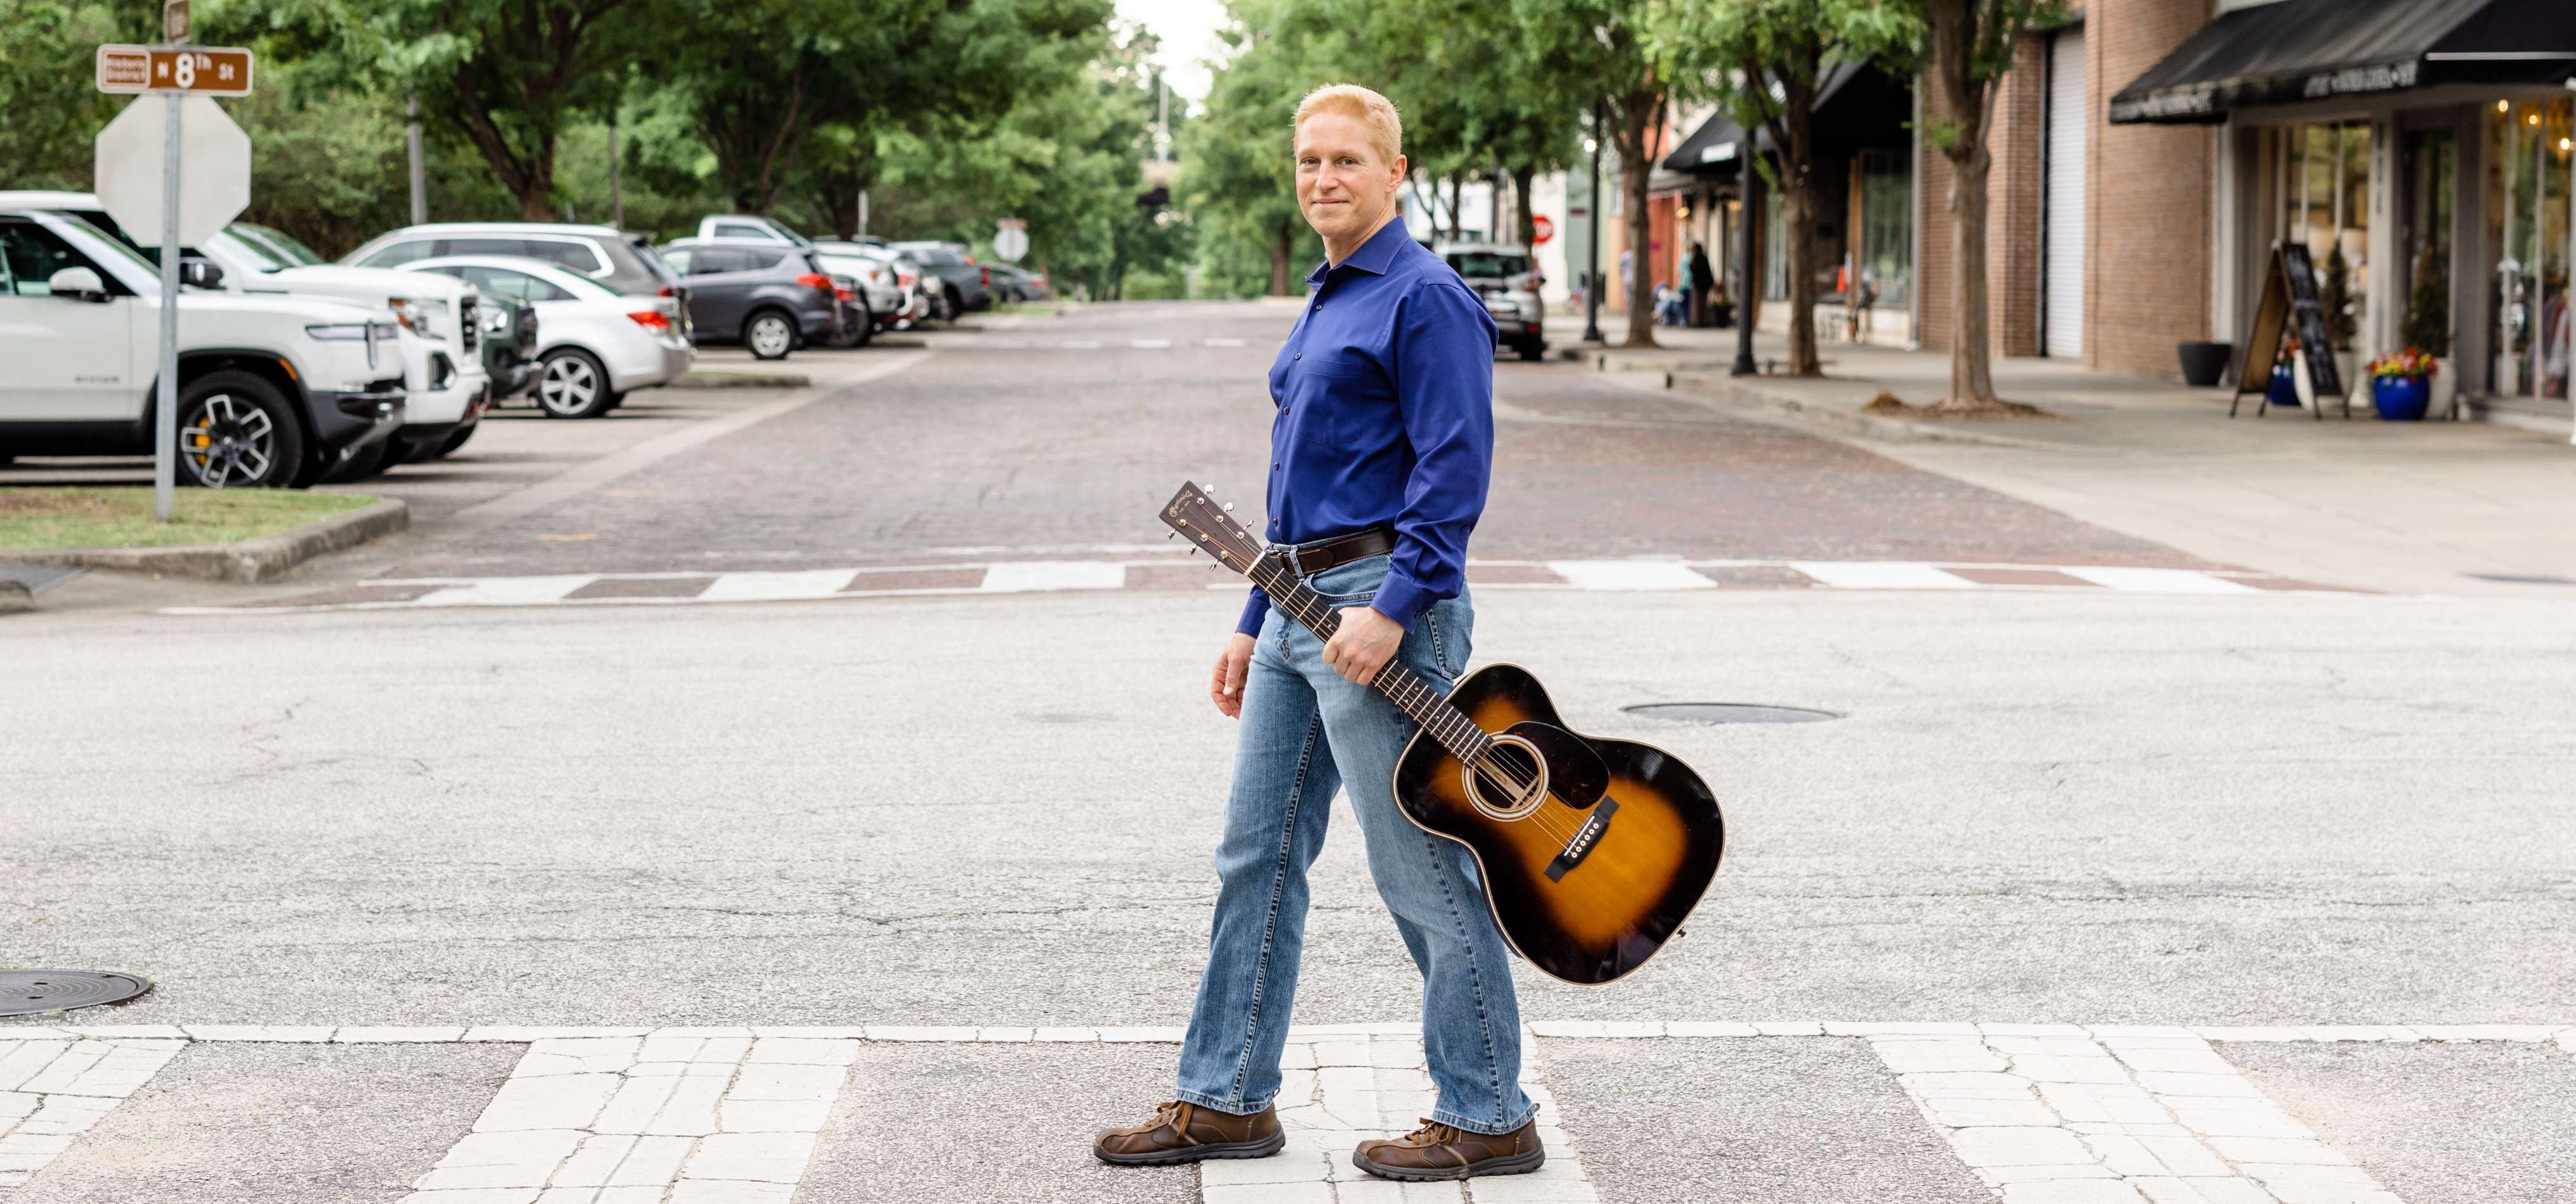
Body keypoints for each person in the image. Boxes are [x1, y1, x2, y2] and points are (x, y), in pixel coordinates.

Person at [1093, 82, 1542, 1182]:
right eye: (1307, 163)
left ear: (1394, 173)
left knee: (1421, 869)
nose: (1323, 180)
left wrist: (1392, 614)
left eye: (1345, 160)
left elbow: (1453, 473)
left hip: (1386, 606)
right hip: (1298, 606)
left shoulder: (1425, 297)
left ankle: (1488, 1110)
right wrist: (1252, 619)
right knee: (1255, 855)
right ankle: (1227, 1097)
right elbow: (1293, 488)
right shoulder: (1328, 295)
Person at [1686, 241, 1715, 327]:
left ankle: (1698, 321)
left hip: (1699, 285)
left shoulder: (1697, 259)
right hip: (1703, 284)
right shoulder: (1703, 259)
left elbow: (1692, 268)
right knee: (1701, 303)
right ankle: (1701, 320)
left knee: (1698, 303)